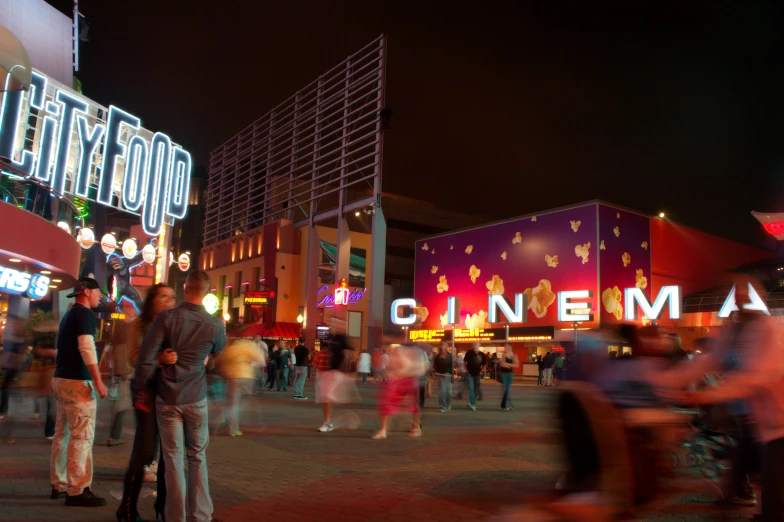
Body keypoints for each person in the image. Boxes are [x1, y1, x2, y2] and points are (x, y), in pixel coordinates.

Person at [655, 278, 784, 520]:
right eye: (736, 295)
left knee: (772, 474)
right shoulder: (733, 331)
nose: (739, 301)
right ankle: (736, 501)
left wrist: (704, 395)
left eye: (745, 296)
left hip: (778, 418)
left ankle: (764, 511)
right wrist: (663, 381)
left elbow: (757, 377)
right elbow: (707, 361)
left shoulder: (768, 329)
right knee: (746, 461)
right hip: (755, 417)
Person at [134, 271, 226, 522]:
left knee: (172, 460)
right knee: (197, 457)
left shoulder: (167, 318)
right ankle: (202, 515)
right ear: (207, 292)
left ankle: (175, 517)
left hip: (168, 397)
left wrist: (141, 387)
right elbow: (217, 352)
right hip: (196, 396)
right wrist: (203, 359)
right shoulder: (216, 325)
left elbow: (145, 357)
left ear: (186, 288)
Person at [116, 283, 178, 522]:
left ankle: (162, 507)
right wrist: (160, 359)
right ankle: (127, 507)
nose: (168, 301)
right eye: (163, 296)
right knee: (145, 448)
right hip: (145, 390)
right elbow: (134, 359)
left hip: (169, 392)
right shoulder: (138, 326)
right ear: (152, 299)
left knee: (167, 451)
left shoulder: (171, 325)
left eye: (171, 297)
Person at [49, 277, 109, 507]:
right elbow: (86, 346)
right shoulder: (84, 314)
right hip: (76, 382)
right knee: (82, 436)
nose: (100, 296)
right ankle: (77, 489)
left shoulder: (69, 314)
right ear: (86, 291)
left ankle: (59, 484)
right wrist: (98, 379)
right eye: (97, 292)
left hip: (61, 379)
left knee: (62, 433)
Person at [372, 343, 428, 439]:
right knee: (387, 403)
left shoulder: (417, 352)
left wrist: (398, 372)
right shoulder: (399, 350)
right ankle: (383, 430)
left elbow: (421, 368)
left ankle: (416, 428)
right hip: (398, 380)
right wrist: (387, 374)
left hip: (409, 380)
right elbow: (391, 365)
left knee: (413, 405)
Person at [218, 338, 264, 437]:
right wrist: (251, 364)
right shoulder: (247, 345)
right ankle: (251, 421)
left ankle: (232, 429)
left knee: (233, 404)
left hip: (233, 377)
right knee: (247, 399)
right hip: (247, 376)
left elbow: (222, 362)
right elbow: (260, 360)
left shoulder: (230, 349)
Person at [107, 304, 138, 447]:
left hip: (119, 372)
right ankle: (114, 436)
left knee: (121, 403)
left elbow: (112, 351)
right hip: (126, 372)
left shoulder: (118, 329)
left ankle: (114, 435)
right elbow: (126, 352)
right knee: (123, 404)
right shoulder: (128, 330)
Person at [315, 335, 357, 432]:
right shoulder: (333, 337)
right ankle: (329, 422)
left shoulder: (342, 338)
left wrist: (349, 372)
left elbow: (349, 354)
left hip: (337, 372)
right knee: (327, 397)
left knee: (333, 397)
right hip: (330, 372)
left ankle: (346, 417)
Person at [464, 343, 486, 411]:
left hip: (477, 374)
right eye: (474, 345)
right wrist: (466, 370)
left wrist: (481, 372)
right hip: (470, 374)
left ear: (479, 346)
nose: (475, 346)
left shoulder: (482, 354)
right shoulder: (469, 352)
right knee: (471, 388)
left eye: (476, 345)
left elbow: (484, 364)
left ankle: (472, 402)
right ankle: (473, 404)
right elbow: (464, 362)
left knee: (475, 389)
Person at [433, 343, 453, 413]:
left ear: (447, 347)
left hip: (448, 375)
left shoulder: (450, 356)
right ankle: (443, 406)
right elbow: (435, 365)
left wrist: (452, 376)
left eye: (445, 346)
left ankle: (448, 404)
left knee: (448, 392)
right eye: (442, 345)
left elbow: (452, 366)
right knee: (442, 391)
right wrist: (436, 372)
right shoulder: (438, 356)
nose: (443, 347)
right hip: (440, 375)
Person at [499, 344, 519, 411]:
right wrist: (509, 365)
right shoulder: (503, 355)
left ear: (510, 347)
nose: (505, 348)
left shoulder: (514, 355)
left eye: (506, 346)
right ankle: (507, 405)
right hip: (504, 374)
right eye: (505, 347)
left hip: (510, 374)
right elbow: (502, 364)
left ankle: (503, 405)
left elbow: (516, 365)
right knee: (506, 389)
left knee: (507, 389)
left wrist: (507, 364)